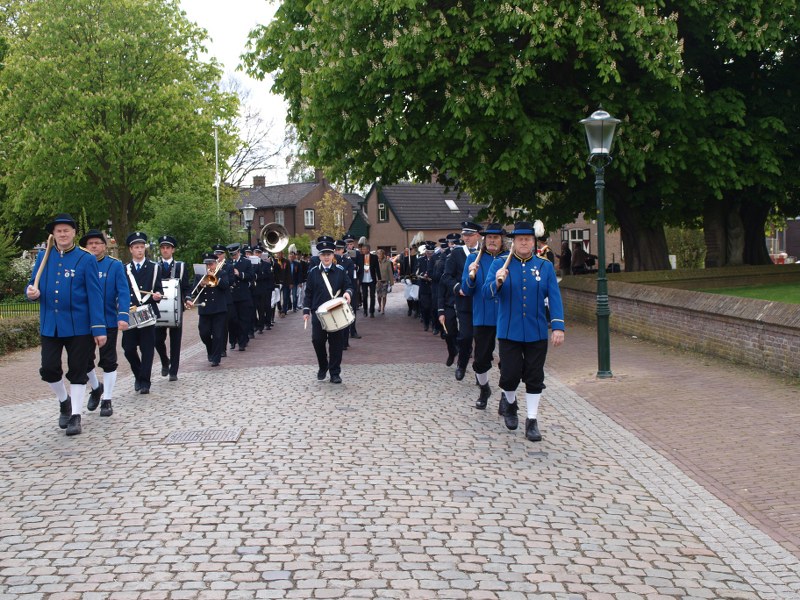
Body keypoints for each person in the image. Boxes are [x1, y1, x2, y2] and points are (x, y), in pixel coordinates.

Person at [482, 221, 565, 442]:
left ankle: (532, 420)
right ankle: (510, 404)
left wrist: (557, 326)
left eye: (528, 239)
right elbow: (486, 293)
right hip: (509, 330)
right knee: (509, 376)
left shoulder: (544, 266)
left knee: (534, 377)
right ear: (513, 242)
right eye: (520, 239)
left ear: (533, 241)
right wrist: (498, 282)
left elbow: (554, 298)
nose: (524, 243)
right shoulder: (501, 263)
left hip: (536, 331)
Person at [26, 214, 107, 436]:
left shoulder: (86, 258)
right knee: (49, 368)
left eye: (66, 230)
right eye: (58, 231)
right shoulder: (44, 256)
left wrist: (98, 328)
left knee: (78, 370)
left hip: (79, 326)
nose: (62, 234)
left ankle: (76, 416)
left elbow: (95, 294)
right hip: (51, 325)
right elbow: (32, 285)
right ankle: (64, 401)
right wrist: (31, 293)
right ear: (53, 234)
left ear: (73, 233)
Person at [81, 229, 129, 418]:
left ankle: (107, 399)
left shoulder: (114, 265)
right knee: (84, 359)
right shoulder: (80, 265)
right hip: (84, 321)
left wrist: (123, 315)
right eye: (90, 243)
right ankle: (95, 387)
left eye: (97, 243)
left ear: (104, 246)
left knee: (108, 360)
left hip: (108, 319)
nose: (94, 246)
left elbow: (123, 292)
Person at [462, 223, 507, 410]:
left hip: (506, 316)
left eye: (496, 238)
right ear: (484, 239)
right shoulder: (474, 259)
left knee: (508, 360)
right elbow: (466, 290)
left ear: (502, 240)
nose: (492, 241)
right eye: (489, 238)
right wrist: (471, 277)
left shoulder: (509, 259)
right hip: (483, 316)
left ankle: (507, 397)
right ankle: (484, 388)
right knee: (480, 360)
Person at [303, 238, 354, 384]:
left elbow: (349, 286)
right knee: (317, 340)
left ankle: (335, 372)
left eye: (329, 254)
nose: (326, 257)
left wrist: (347, 294)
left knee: (336, 343)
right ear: (319, 256)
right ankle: (323, 365)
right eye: (323, 254)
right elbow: (308, 293)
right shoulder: (313, 273)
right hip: (318, 314)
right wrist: (306, 311)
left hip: (336, 312)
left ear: (333, 256)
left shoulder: (340, 271)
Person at [121, 231, 164, 395]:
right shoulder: (124, 269)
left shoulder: (154, 268)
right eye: (136, 247)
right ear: (131, 250)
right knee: (128, 348)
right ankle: (138, 374)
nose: (139, 250)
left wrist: (158, 296)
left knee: (147, 349)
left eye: (141, 247)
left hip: (147, 312)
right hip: (131, 312)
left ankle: (145, 381)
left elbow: (158, 288)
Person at [442, 221, 483, 381]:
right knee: (465, 337)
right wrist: (457, 287)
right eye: (464, 235)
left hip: (481, 303)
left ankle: (481, 372)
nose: (466, 238)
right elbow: (446, 276)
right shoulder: (456, 254)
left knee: (481, 340)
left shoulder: (484, 252)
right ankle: (462, 363)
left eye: (470, 235)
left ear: (478, 235)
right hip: (464, 303)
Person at [154, 235, 191, 381]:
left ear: (173, 250)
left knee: (175, 341)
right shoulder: (155, 266)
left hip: (176, 308)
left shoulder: (180, 266)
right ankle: (164, 361)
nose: (165, 250)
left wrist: (187, 298)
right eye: (162, 248)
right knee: (157, 340)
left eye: (167, 248)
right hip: (158, 308)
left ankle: (174, 371)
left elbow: (186, 287)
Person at [187, 252, 230, 366]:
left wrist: (214, 279)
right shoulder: (199, 276)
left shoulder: (222, 273)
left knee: (218, 335)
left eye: (211, 264)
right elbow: (194, 291)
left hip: (219, 309)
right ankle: (210, 349)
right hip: (205, 309)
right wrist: (200, 284)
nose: (209, 267)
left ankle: (216, 358)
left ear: (215, 264)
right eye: (206, 265)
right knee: (204, 333)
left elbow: (226, 286)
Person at [227, 243, 253, 351]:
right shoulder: (228, 263)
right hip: (232, 296)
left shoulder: (246, 262)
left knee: (243, 319)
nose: (233, 256)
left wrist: (240, 274)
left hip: (243, 295)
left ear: (238, 252)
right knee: (232, 320)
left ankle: (242, 342)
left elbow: (250, 276)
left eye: (234, 254)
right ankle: (233, 340)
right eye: (231, 254)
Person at [359, 244, 380, 317]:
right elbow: (358, 268)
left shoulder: (374, 257)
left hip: (371, 279)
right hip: (363, 279)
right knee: (364, 296)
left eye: (364, 249)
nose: (363, 250)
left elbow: (377, 268)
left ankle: (372, 311)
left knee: (372, 296)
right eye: (362, 249)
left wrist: (379, 279)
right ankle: (365, 310)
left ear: (368, 249)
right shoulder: (360, 257)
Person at [376, 249, 393, 314]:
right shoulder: (376, 262)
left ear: (383, 254)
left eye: (380, 253)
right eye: (378, 253)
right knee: (378, 295)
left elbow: (390, 272)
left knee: (384, 295)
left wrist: (391, 282)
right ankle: (380, 305)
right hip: (378, 281)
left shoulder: (387, 262)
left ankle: (383, 308)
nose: (379, 255)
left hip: (385, 281)